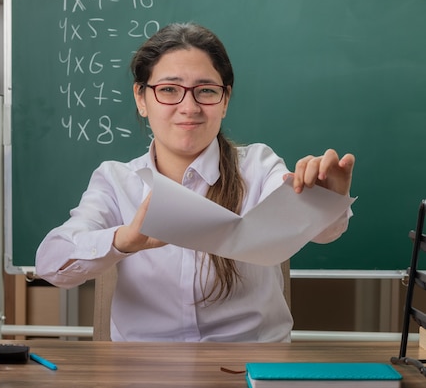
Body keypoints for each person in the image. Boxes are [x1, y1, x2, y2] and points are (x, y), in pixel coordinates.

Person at [35, 22, 355, 342]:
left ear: (225, 99)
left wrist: (323, 203)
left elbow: (320, 231)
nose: (189, 108)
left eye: (206, 91)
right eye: (169, 90)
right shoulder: (116, 181)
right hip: (144, 370)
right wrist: (122, 239)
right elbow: (51, 263)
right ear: (141, 98)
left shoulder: (259, 167)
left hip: (249, 366)